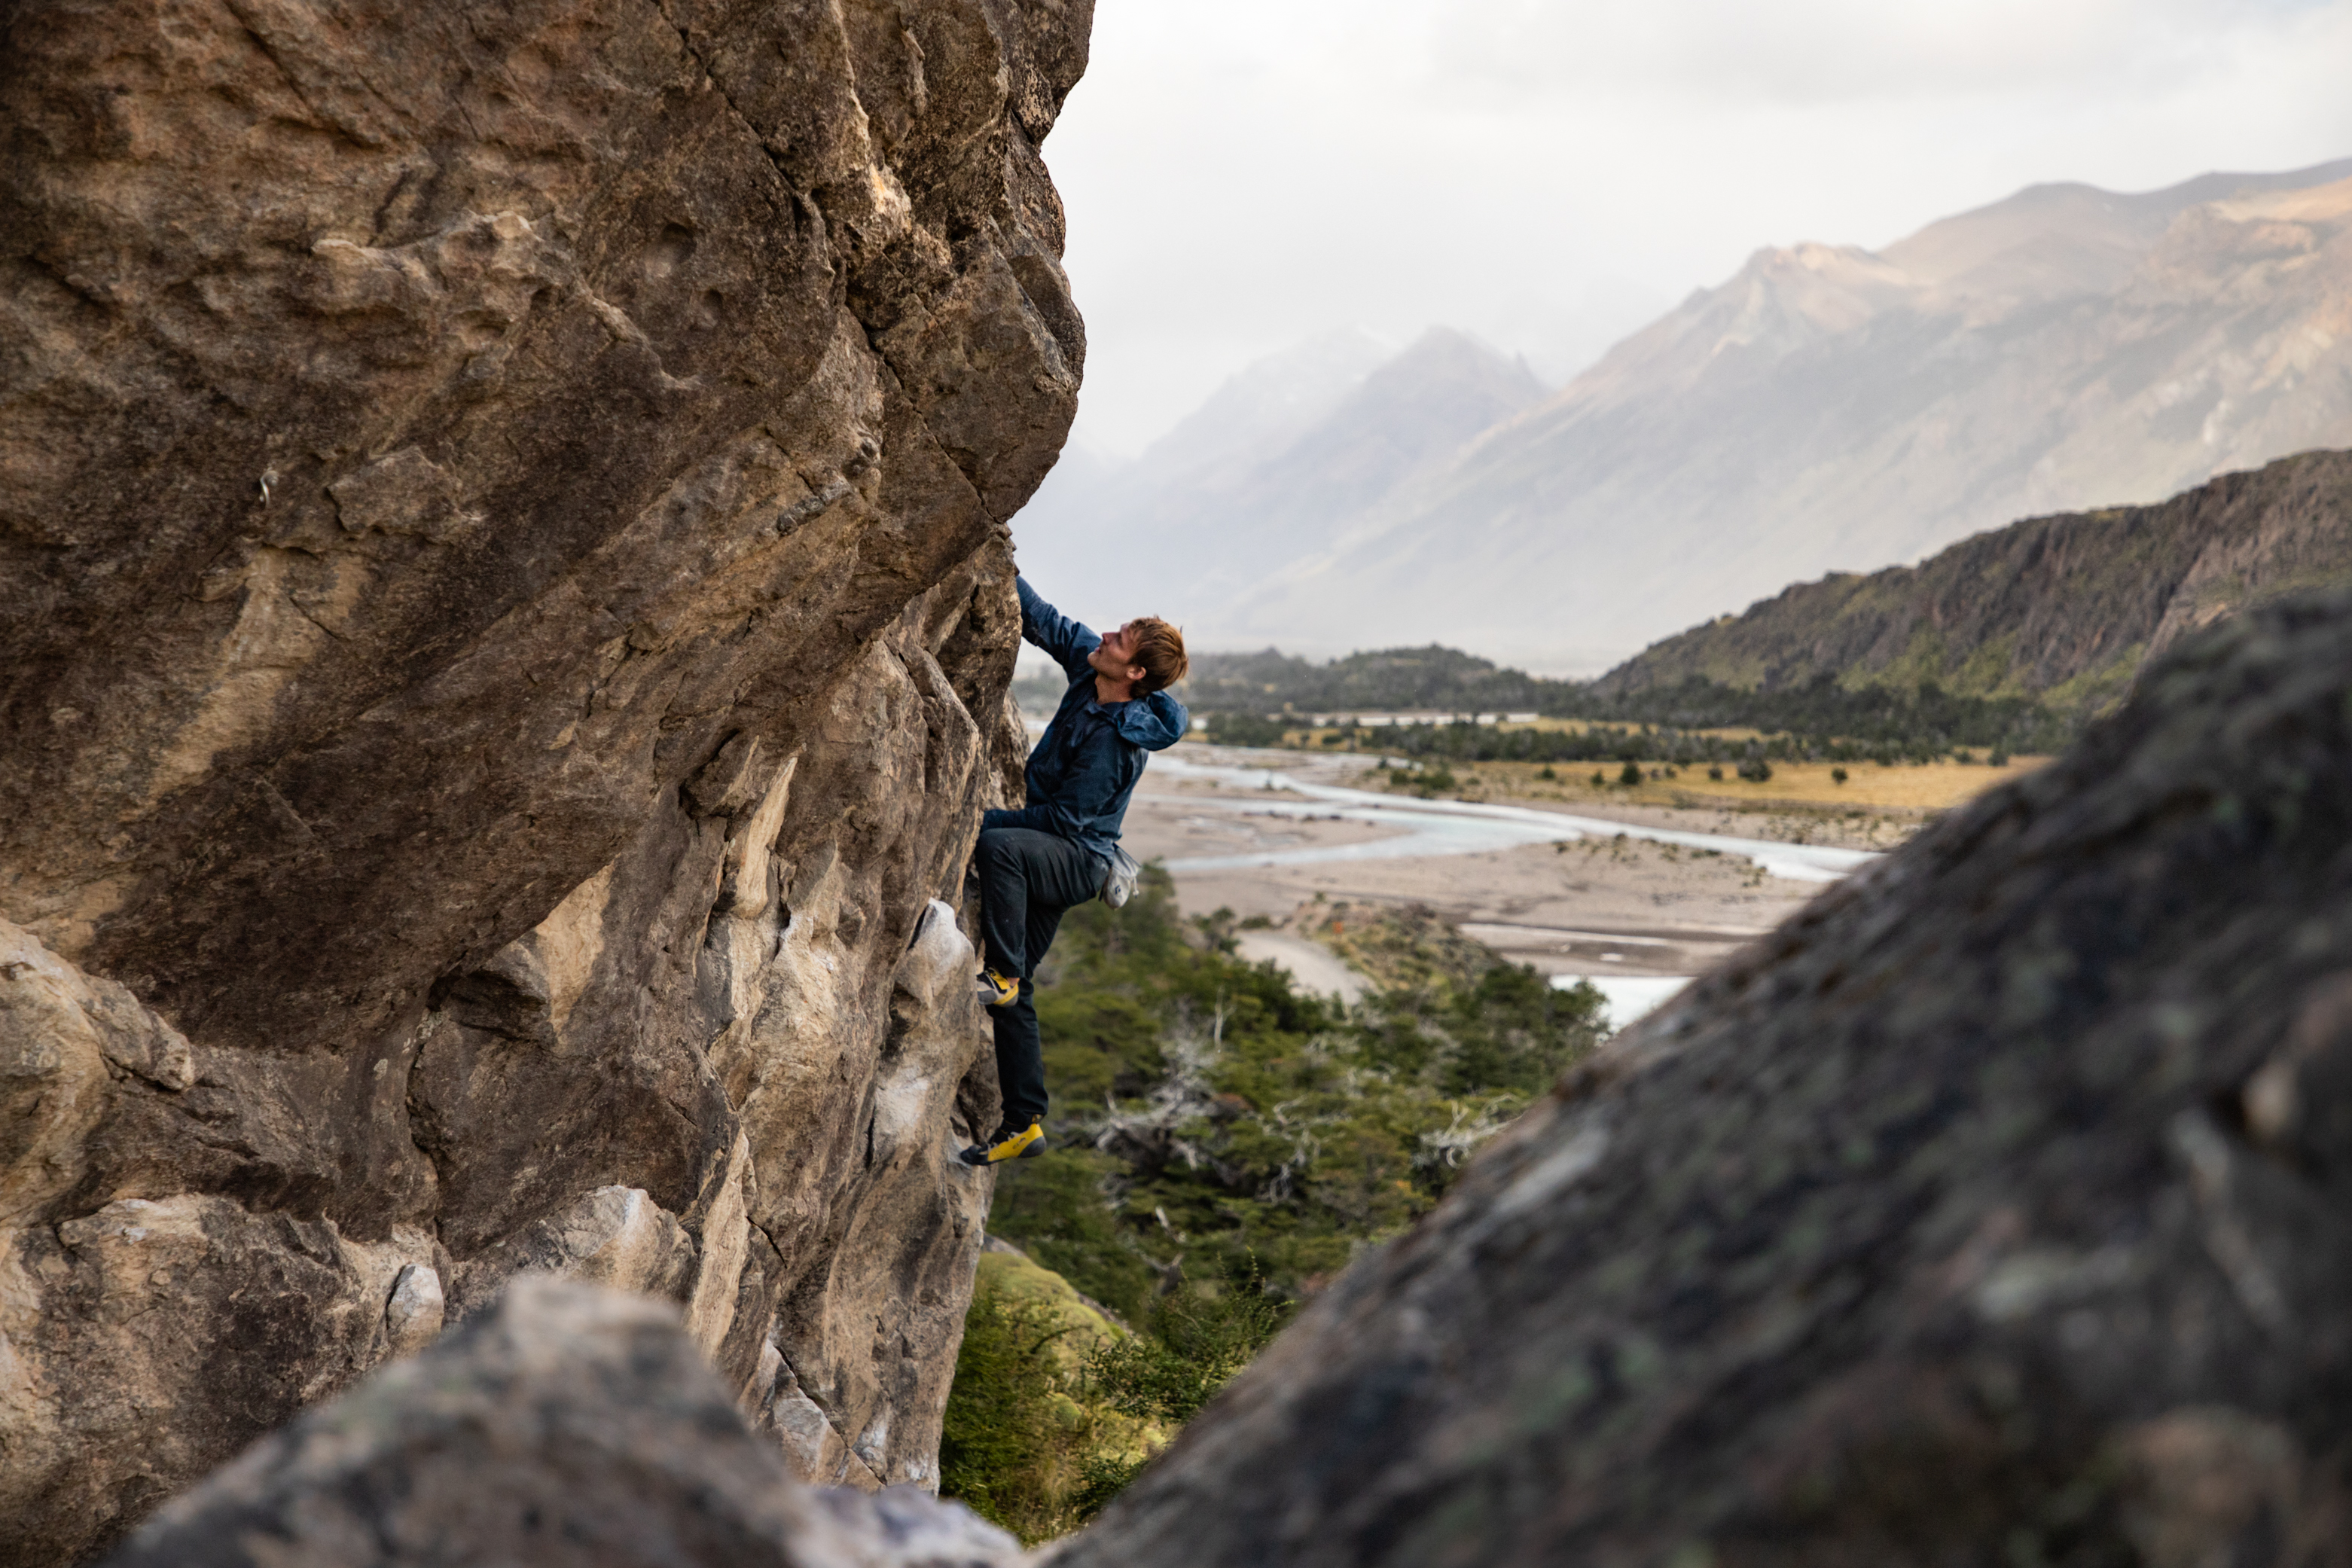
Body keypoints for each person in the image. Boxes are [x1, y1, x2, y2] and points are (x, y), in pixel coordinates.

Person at [959, 577, 1188, 1166]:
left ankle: (1003, 972)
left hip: (1075, 860)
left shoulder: (1116, 744)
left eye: (1120, 639)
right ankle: (1022, 1123)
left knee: (1002, 847)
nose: (1106, 635)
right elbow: (1047, 622)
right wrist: (997, 547)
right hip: (1059, 847)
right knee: (1016, 1000)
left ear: (1134, 672)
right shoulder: (1094, 671)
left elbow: (1061, 823)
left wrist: (970, 817)